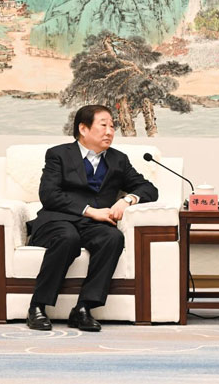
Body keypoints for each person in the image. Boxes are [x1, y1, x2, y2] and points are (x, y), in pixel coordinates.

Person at [25, 105, 158, 332]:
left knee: (113, 238)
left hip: (93, 225)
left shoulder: (118, 160)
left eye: (112, 126)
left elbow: (148, 188)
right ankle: (37, 305)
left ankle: (83, 308)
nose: (110, 131)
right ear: (83, 129)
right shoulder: (58, 155)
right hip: (58, 220)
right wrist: (89, 210)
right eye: (103, 125)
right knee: (68, 238)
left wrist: (127, 200)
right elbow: (49, 195)